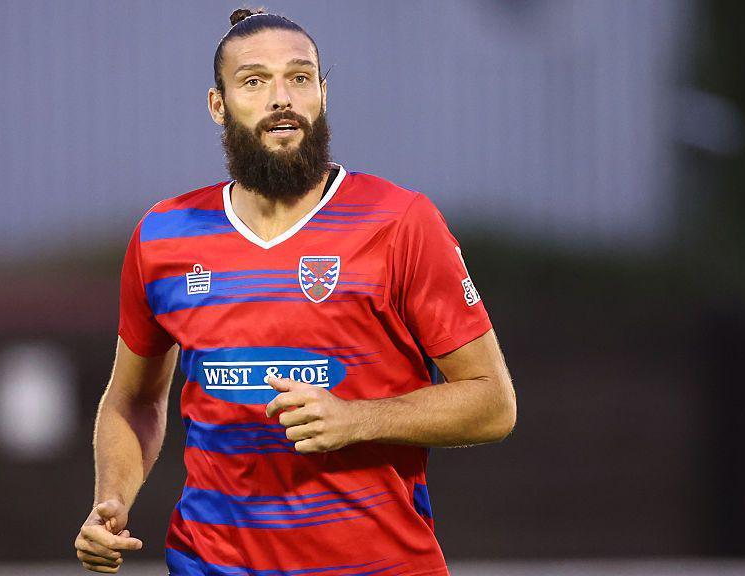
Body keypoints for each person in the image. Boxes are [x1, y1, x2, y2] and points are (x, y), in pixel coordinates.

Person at [74, 8, 516, 575]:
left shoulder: (400, 221)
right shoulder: (164, 234)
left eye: (299, 77)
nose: (281, 97)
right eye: (255, 81)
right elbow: (133, 400)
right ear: (218, 105)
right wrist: (111, 499)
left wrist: (358, 420)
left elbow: (492, 403)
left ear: (322, 95)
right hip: (210, 564)